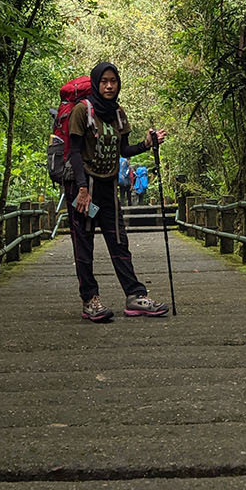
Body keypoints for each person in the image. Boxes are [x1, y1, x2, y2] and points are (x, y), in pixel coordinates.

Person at [66, 60, 170, 322]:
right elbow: (75, 152)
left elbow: (123, 151)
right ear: (96, 83)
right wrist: (80, 188)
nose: (109, 86)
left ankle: (135, 296)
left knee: (119, 242)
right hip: (85, 189)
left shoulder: (119, 114)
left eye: (113, 81)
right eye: (104, 81)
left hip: (108, 188)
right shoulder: (83, 110)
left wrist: (146, 144)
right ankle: (90, 300)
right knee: (84, 245)